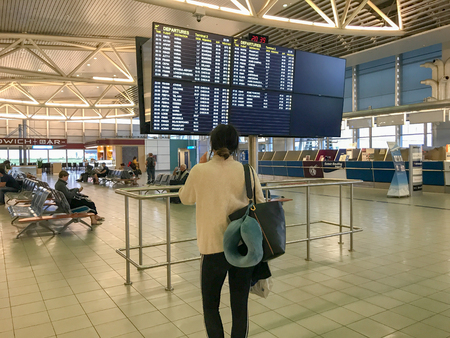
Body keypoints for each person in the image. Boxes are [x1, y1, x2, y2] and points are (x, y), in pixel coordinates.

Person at [179, 124, 264, 338]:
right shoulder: (247, 171)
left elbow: (186, 198)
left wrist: (195, 171)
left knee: (211, 306)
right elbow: (261, 202)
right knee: (239, 306)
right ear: (236, 146)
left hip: (212, 248)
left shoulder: (200, 170)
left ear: (212, 145)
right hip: (242, 247)